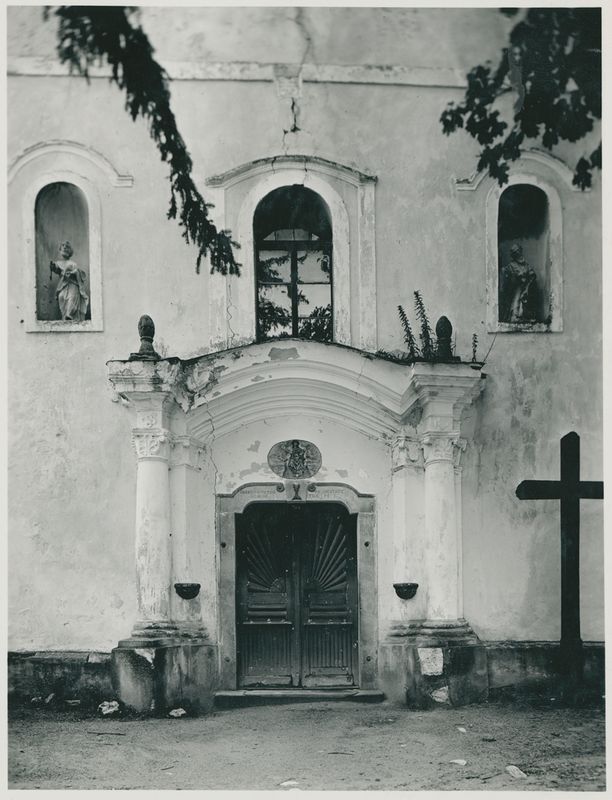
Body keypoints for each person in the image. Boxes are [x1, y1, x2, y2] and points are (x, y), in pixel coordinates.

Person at [49, 241, 89, 321]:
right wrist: (53, 267)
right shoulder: (58, 263)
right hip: (63, 285)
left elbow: (77, 273)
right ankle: (65, 317)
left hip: (72, 285)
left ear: (70, 251)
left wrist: (73, 272)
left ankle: (69, 315)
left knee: (72, 298)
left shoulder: (72, 263)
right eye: (63, 246)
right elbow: (57, 270)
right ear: (60, 250)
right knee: (61, 297)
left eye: (67, 247)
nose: (64, 248)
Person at [500, 243, 539, 323]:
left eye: (519, 251)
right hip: (515, 289)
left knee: (526, 301)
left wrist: (527, 287)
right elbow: (506, 278)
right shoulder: (511, 266)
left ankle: (524, 317)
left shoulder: (526, 265)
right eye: (517, 251)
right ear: (514, 254)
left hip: (526, 288)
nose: (519, 253)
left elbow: (532, 275)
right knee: (516, 301)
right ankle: (514, 316)